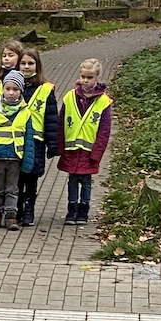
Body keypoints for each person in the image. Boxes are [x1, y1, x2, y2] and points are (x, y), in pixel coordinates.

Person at [58, 58, 112, 225]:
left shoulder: (103, 101)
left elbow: (104, 131)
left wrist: (97, 153)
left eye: (90, 77)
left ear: (97, 78)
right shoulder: (69, 97)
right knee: (72, 180)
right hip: (72, 149)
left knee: (86, 181)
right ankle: (71, 209)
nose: (85, 81)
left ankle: (83, 210)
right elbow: (61, 122)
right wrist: (59, 146)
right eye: (83, 77)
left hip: (89, 151)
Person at [0, 69, 34, 231]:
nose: (11, 93)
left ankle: (11, 216)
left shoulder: (25, 112)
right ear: (2, 89)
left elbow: (29, 139)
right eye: (8, 89)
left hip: (16, 157)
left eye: (15, 89)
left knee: (12, 189)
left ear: (21, 91)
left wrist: (28, 161)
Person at [15, 47, 59, 227]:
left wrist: (53, 144)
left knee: (31, 177)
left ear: (37, 65)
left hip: (35, 142)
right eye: (23, 63)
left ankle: (29, 209)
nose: (26, 67)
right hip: (16, 141)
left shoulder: (45, 89)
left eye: (30, 63)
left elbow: (51, 118)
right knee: (17, 178)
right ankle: (16, 209)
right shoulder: (12, 86)